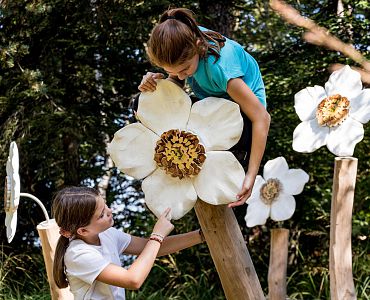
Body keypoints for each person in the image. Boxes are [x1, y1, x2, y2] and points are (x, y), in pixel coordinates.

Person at [138, 8, 271, 208]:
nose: (181, 77)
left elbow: (262, 118)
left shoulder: (221, 69)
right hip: (211, 109)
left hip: (244, 121)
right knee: (140, 101)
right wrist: (155, 83)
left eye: (184, 70)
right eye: (171, 71)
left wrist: (251, 175)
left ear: (198, 46)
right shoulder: (181, 37)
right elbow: (175, 85)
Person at [52, 186, 204, 299]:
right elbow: (133, 280)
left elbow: (150, 248)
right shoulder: (78, 254)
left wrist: (201, 236)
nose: (110, 211)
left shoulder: (106, 234)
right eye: (102, 214)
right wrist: (157, 235)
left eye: (105, 206)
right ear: (83, 231)